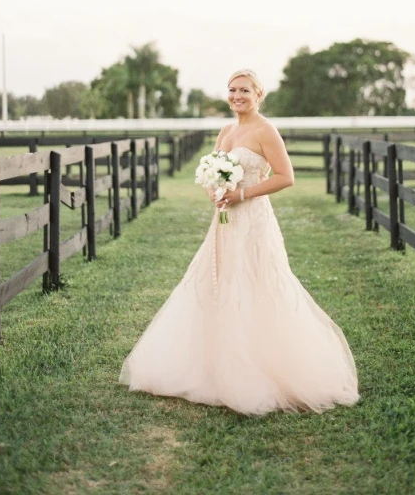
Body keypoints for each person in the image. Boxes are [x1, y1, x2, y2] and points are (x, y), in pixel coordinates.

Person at [118, 69, 360, 415]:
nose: (237, 95)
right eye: (232, 90)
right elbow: (210, 169)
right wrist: (215, 192)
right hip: (224, 221)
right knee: (217, 281)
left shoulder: (266, 130)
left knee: (255, 282)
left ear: (258, 94)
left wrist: (241, 192)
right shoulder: (227, 130)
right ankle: (212, 366)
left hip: (254, 220)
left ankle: (257, 368)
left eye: (244, 90)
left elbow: (285, 177)